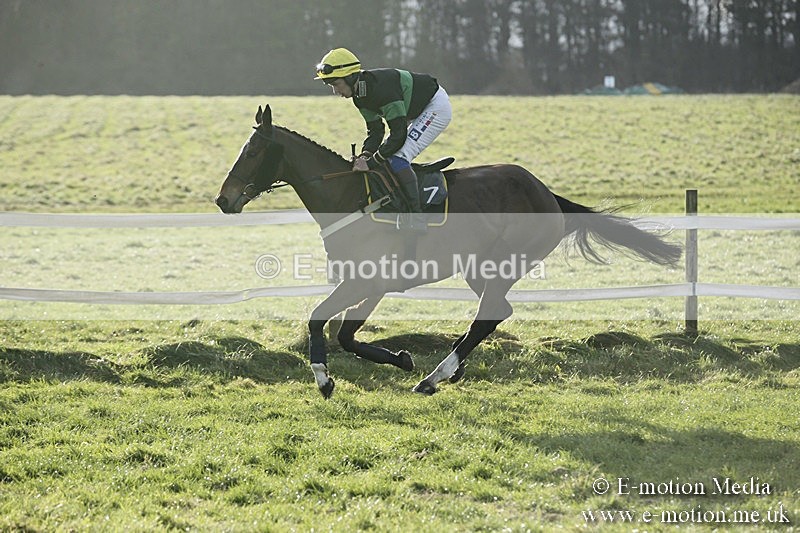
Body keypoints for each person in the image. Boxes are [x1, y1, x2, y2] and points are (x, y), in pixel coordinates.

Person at [314, 47, 452, 232]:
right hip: (418, 110)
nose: (335, 91)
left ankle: (416, 217)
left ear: (351, 77)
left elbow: (398, 136)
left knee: (398, 157)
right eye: (330, 85)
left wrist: (371, 163)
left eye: (336, 84)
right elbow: (376, 132)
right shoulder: (360, 96)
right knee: (386, 158)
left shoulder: (381, 90)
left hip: (435, 107)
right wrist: (365, 155)